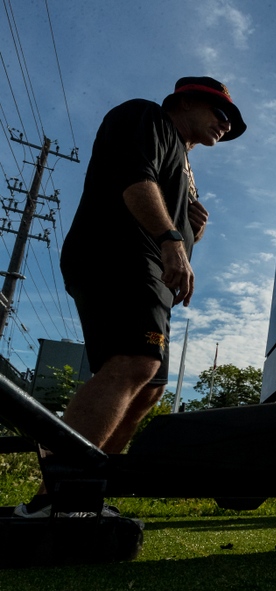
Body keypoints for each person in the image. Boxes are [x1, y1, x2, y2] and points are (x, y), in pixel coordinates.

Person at [15, 76, 245, 519]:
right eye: (221, 113)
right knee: (133, 362)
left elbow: (166, 205)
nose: (226, 125)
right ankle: (54, 498)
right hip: (116, 252)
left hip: (149, 268)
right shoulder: (147, 116)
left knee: (148, 389)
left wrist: (192, 226)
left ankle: (87, 493)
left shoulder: (184, 163)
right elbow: (133, 178)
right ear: (188, 100)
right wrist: (172, 237)